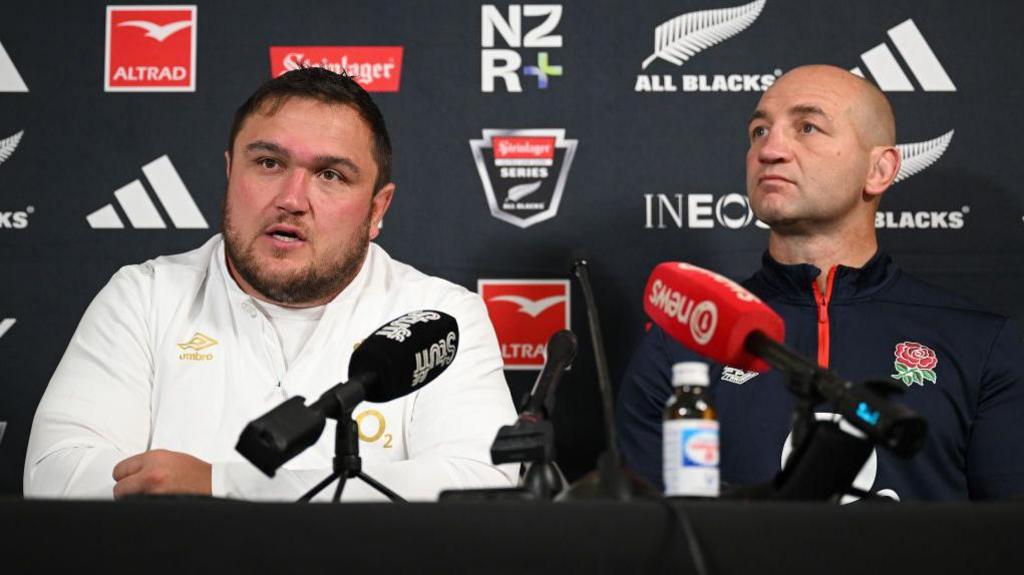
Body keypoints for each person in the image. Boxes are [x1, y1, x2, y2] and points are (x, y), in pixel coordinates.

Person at [24, 67, 518, 500]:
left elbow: (479, 486)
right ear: (229, 171)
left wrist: (216, 485)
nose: (292, 198)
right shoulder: (144, 295)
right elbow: (57, 475)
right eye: (268, 163)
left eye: (330, 175)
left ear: (377, 210)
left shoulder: (439, 315)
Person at [617, 65, 1024, 500]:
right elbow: (644, 536)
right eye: (758, 131)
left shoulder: (981, 343)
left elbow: (1005, 540)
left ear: (880, 170)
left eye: (807, 127)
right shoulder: (685, 335)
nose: (770, 150)